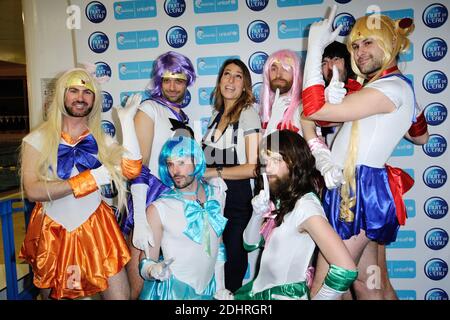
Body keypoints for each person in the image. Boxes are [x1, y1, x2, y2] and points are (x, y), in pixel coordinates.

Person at [301, 7, 429, 299]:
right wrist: (412, 108)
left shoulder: (389, 88)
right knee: (370, 285)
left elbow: (314, 110)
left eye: (368, 42)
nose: (359, 52)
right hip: (359, 189)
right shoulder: (384, 88)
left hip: (357, 194)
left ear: (390, 43)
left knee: (325, 283)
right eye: (355, 45)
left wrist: (315, 48)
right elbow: (421, 137)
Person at [19, 68, 142, 299]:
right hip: (54, 230)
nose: (80, 97)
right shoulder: (36, 140)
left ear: (94, 100)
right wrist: (87, 179)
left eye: (87, 92)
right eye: (73, 90)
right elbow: (33, 191)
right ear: (61, 95)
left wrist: (127, 123)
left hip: (98, 228)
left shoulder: (102, 141)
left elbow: (132, 170)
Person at [232, 130, 357, 300]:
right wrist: (256, 214)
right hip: (258, 294)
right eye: (265, 161)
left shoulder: (306, 206)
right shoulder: (283, 201)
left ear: (295, 162)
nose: (267, 168)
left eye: (276, 160)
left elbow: (346, 268)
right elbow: (249, 244)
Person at [126, 51, 196, 299]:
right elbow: (138, 167)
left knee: (167, 282)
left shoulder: (183, 116)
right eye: (166, 80)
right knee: (141, 286)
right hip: (149, 201)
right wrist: (140, 220)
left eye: (179, 80)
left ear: (188, 81)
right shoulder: (149, 109)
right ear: (158, 81)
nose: (173, 86)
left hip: (176, 204)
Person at [138, 136, 233, 300]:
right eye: (170, 164)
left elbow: (218, 247)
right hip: (173, 294)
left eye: (181, 162)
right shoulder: (159, 208)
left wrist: (220, 287)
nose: (175, 171)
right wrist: (153, 270)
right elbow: (146, 262)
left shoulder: (217, 194)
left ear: (197, 161)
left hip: (210, 292)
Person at [201, 59, 261, 292]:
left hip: (237, 202)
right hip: (215, 202)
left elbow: (253, 167)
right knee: (214, 262)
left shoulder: (247, 114)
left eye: (238, 76)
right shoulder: (217, 116)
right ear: (219, 81)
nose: (231, 80)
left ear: (245, 85)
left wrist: (212, 172)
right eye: (227, 74)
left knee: (233, 264)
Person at [261, 49, 344, 190]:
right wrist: (272, 122)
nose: (278, 74)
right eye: (274, 69)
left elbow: (314, 144)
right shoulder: (266, 110)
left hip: (302, 186)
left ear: (296, 72)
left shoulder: (305, 108)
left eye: (286, 69)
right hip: (275, 187)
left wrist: (330, 100)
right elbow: (264, 158)